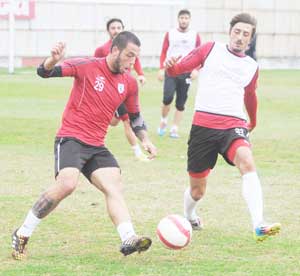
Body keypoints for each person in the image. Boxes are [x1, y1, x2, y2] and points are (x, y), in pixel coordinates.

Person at [11, 31, 157, 260]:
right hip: (71, 138)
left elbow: (136, 117)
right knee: (67, 185)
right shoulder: (87, 65)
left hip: (97, 145)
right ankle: (22, 233)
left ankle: (128, 237)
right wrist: (53, 59)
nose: (132, 63)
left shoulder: (129, 82)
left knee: (114, 185)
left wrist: (145, 140)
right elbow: (44, 72)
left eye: (135, 58)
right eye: (129, 56)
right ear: (115, 50)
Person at [164, 13, 281, 241]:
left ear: (250, 40)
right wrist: (170, 67)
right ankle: (189, 215)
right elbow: (180, 68)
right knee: (197, 190)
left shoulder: (251, 66)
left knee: (247, 160)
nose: (240, 37)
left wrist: (253, 120)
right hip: (203, 127)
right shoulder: (210, 49)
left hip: (233, 125)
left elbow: (250, 96)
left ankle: (259, 224)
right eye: (237, 32)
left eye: (245, 34)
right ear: (230, 32)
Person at [95, 18, 149, 161]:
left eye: (119, 27)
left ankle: (101, 118)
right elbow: (95, 69)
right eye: (113, 28)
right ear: (108, 31)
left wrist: (141, 74)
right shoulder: (101, 50)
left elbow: (136, 61)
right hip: (109, 91)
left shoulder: (130, 47)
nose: (116, 30)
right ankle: (138, 152)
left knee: (117, 121)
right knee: (124, 120)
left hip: (125, 90)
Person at [157, 9, 201, 138]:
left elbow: (199, 54)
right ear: (178, 19)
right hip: (171, 70)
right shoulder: (170, 34)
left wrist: (196, 69)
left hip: (186, 72)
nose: (184, 20)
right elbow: (164, 51)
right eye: (182, 18)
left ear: (189, 20)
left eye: (186, 18)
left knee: (181, 102)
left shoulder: (195, 35)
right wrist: (161, 68)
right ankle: (163, 121)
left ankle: (174, 129)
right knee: (167, 98)